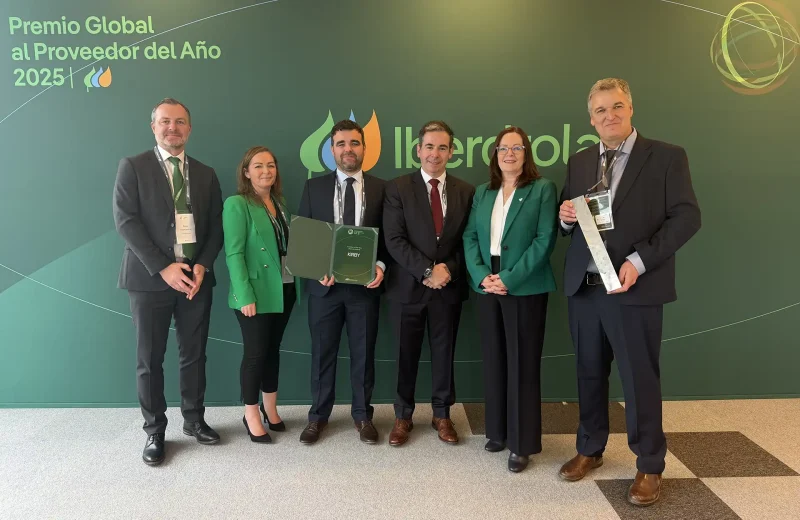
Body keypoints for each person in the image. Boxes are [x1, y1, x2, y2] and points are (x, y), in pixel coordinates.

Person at [557, 78, 701, 506]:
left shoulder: (666, 157)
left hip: (634, 286)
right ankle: (590, 447)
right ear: (591, 119)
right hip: (585, 286)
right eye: (600, 111)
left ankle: (650, 465)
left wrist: (638, 261)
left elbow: (686, 218)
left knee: (639, 378)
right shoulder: (581, 160)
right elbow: (572, 216)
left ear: (631, 109)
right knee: (587, 372)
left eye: (616, 106)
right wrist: (566, 217)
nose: (609, 116)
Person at [113, 98, 223, 465]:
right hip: (149, 280)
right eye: (165, 122)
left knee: (194, 354)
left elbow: (216, 226)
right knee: (150, 358)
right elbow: (126, 221)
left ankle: (193, 420)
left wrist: (203, 265)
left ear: (189, 129)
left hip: (195, 279)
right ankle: (154, 430)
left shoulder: (206, 173)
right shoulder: (133, 166)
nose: (172, 128)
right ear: (154, 127)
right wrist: (164, 267)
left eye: (179, 122)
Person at [463, 127, 558, 472]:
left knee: (522, 365)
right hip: (486, 284)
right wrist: (481, 276)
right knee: (494, 360)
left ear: (526, 154)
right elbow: (471, 236)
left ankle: (522, 443)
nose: (509, 154)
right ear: (495, 155)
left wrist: (509, 277)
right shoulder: (482, 192)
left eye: (516, 148)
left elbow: (545, 239)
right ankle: (498, 431)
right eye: (504, 148)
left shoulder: (542, 188)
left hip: (524, 284)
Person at [382, 121, 475, 446]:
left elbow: (469, 240)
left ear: (451, 152)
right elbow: (393, 239)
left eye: (442, 147)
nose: (435, 153)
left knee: (444, 353)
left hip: (447, 288)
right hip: (407, 288)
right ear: (418, 150)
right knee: (405, 354)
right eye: (429, 146)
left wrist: (447, 269)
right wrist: (426, 270)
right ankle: (403, 415)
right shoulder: (397, 188)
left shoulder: (466, 191)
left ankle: (442, 414)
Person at [296, 119, 388, 445]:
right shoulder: (314, 188)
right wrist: (315, 267)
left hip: (366, 288)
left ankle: (363, 416)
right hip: (325, 288)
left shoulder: (381, 188)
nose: (348, 149)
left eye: (354, 143)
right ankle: (318, 416)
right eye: (341, 144)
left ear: (364, 148)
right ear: (331, 150)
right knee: (322, 353)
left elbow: (390, 238)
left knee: (364, 354)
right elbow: (305, 239)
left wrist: (380, 266)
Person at [223, 146, 298, 443]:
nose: (266, 170)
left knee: (272, 350)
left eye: (270, 165)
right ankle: (251, 413)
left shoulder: (280, 204)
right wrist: (244, 295)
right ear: (246, 172)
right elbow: (233, 253)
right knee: (255, 354)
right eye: (258, 166)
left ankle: (270, 408)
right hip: (255, 292)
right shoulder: (237, 204)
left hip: (285, 287)